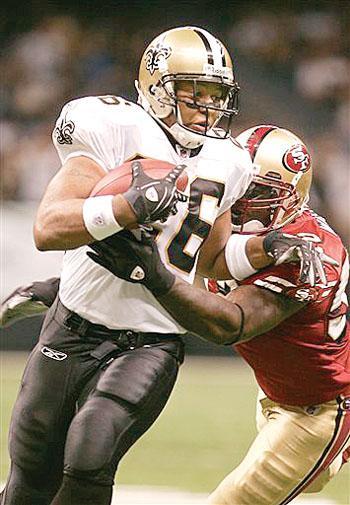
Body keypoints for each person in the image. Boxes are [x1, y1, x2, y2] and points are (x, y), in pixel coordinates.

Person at [0, 26, 288, 505]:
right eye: (194, 94)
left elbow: (209, 260)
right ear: (156, 88)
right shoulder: (115, 128)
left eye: (217, 95)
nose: (208, 108)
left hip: (152, 339)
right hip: (73, 326)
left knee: (90, 457)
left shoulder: (230, 161)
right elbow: (48, 226)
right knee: (32, 468)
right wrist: (125, 208)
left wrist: (263, 249)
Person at [83, 125, 350, 505]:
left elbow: (230, 324)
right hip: (278, 393)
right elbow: (207, 263)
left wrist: (154, 275)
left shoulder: (307, 251)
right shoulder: (229, 227)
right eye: (240, 188)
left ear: (293, 198)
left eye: (257, 193)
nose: (241, 202)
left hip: (318, 410)